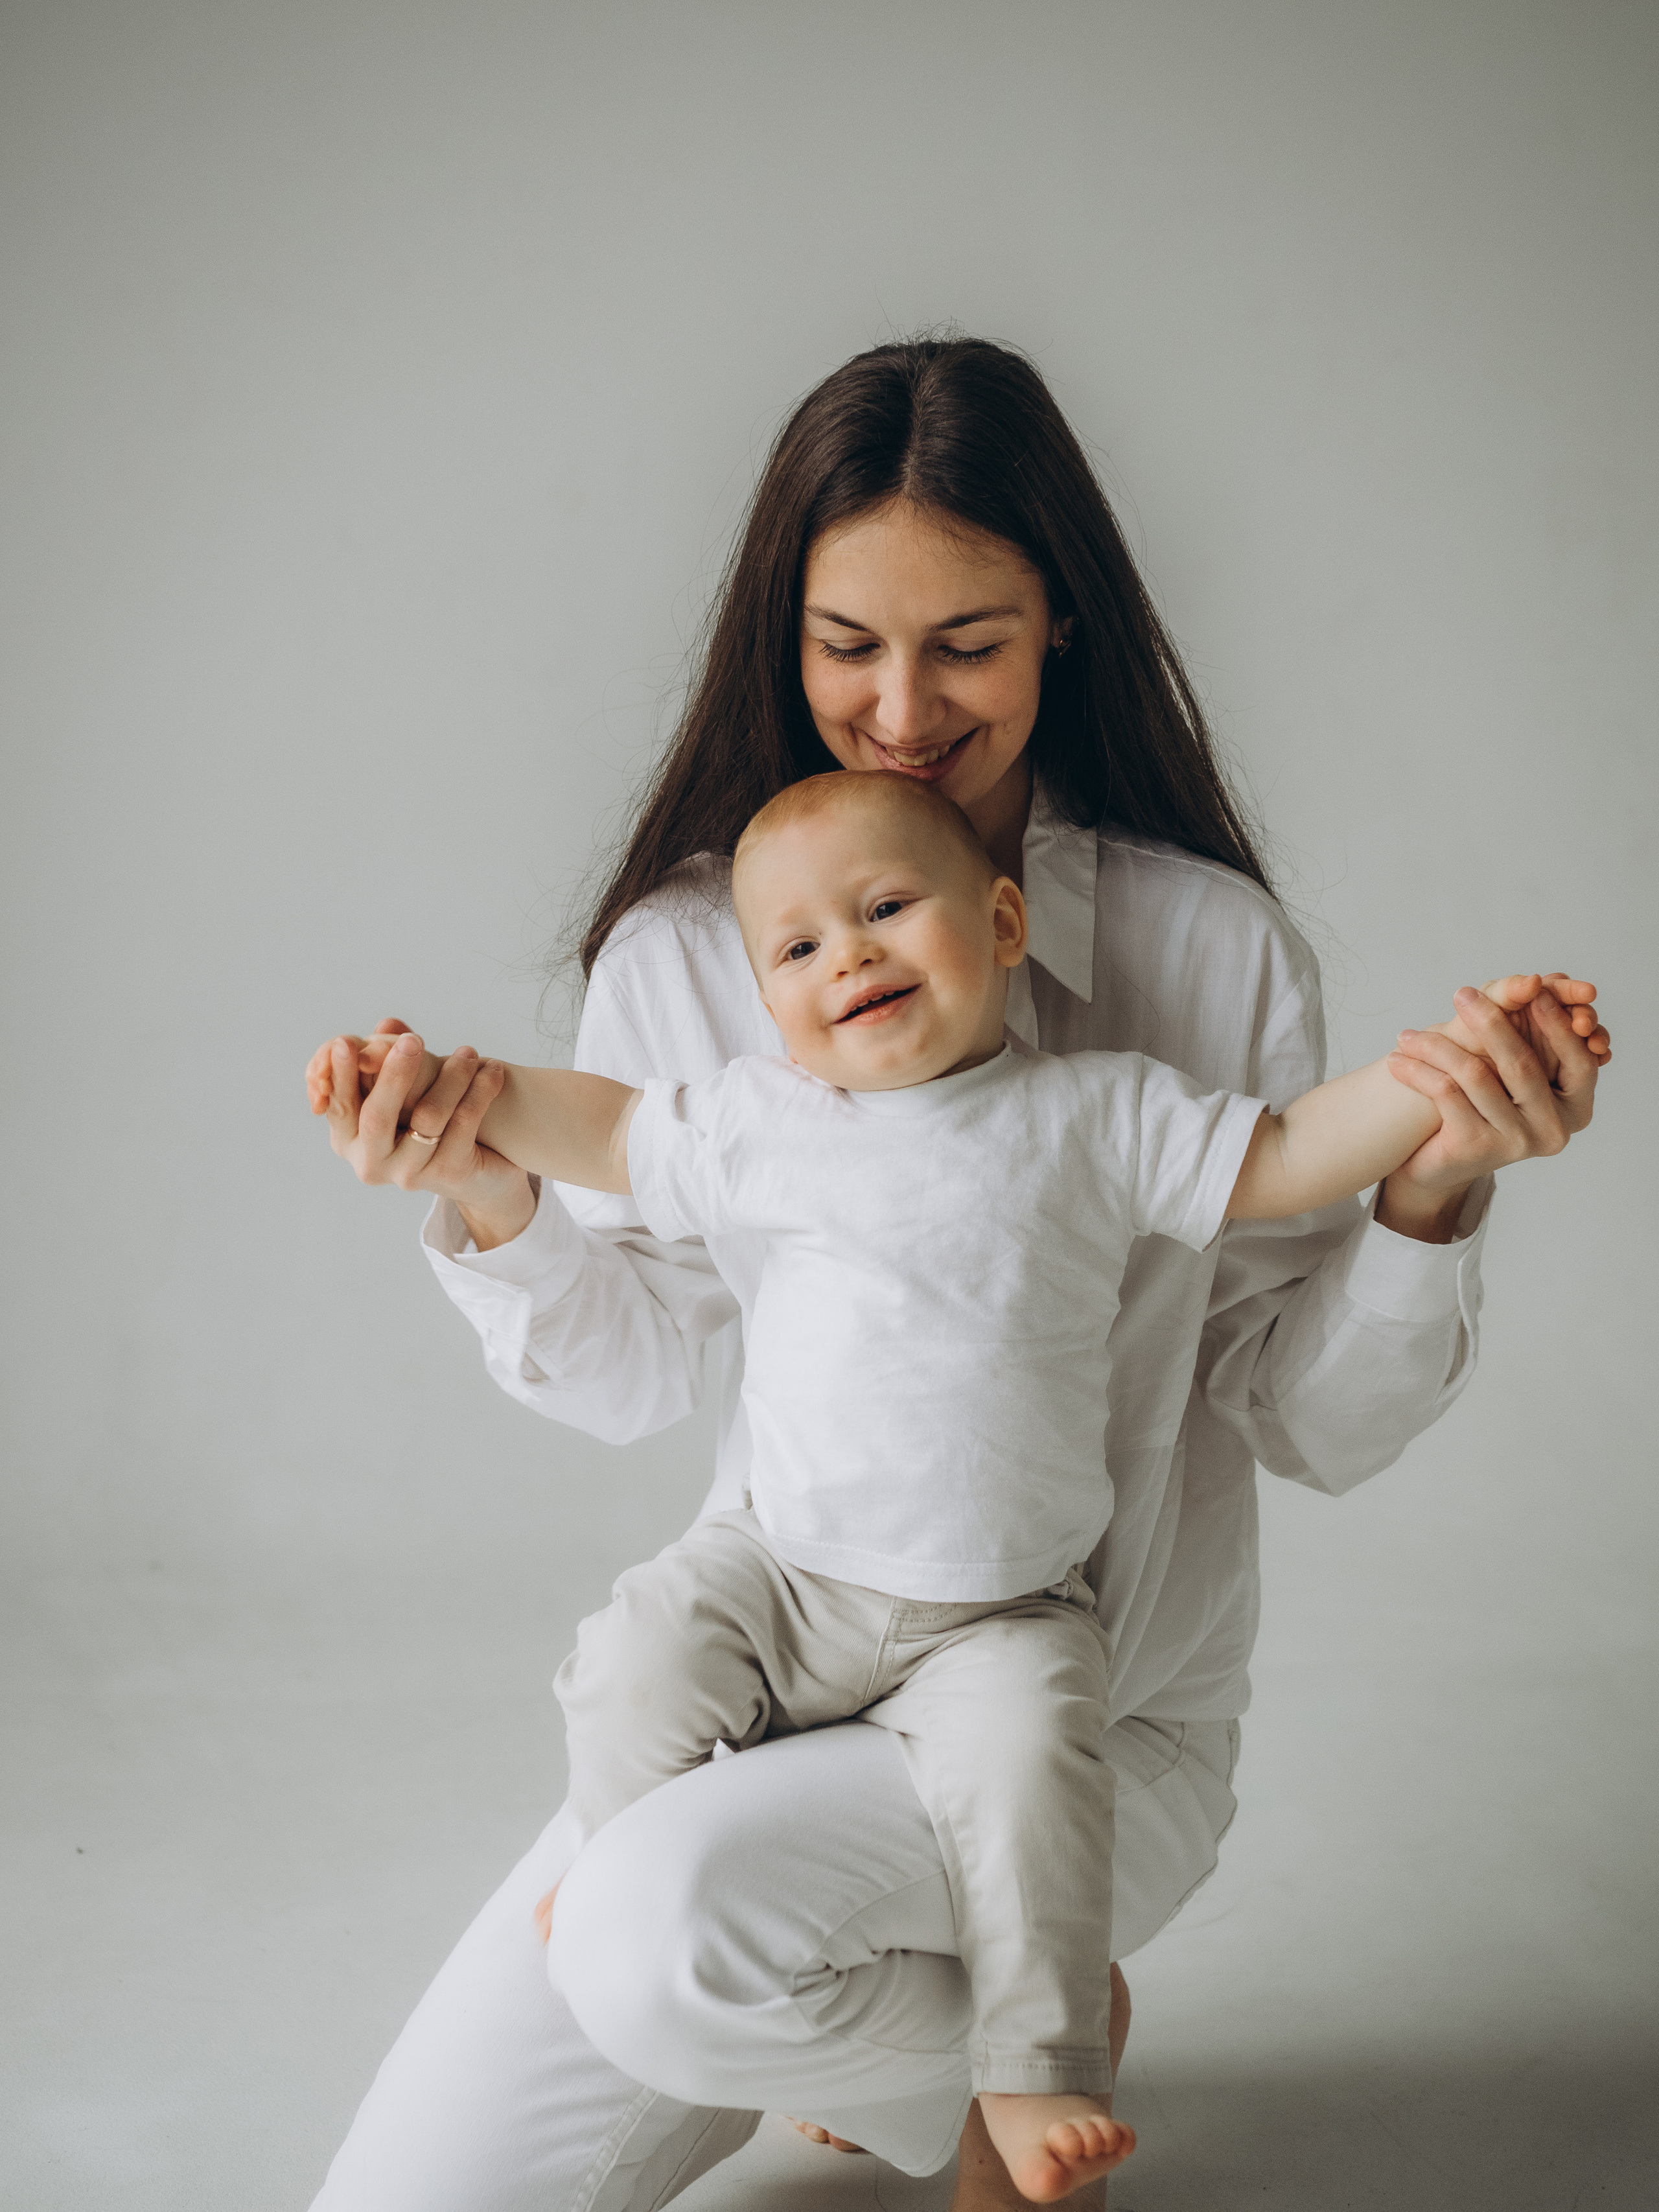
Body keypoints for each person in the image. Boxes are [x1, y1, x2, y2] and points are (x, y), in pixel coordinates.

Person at [305, 338, 1610, 2212]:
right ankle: (946, 2035)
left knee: (654, 1937)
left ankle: (1006, 2005)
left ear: (1062, 623)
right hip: (783, 1680)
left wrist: (1441, 1173)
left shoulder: (1202, 958)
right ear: (786, 634)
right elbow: (629, 1375)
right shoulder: (696, 953)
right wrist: (482, 1179)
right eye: (849, 644)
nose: (902, 708)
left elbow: (1302, 1417)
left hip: (1065, 1715)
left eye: (967, 643)